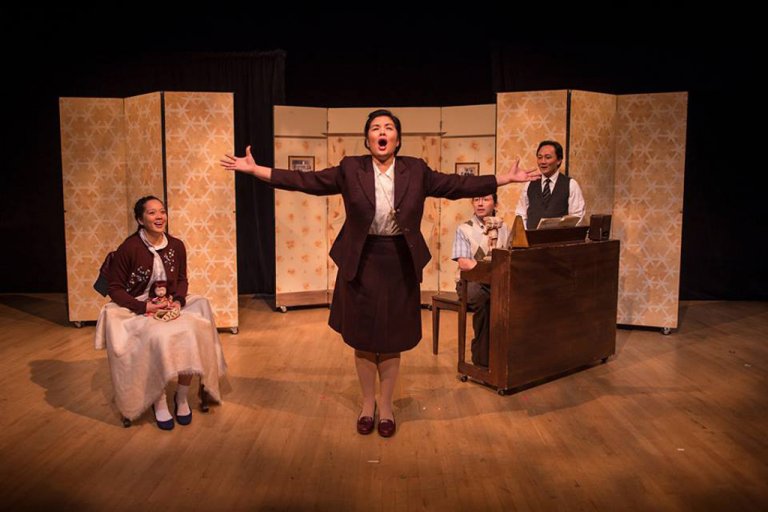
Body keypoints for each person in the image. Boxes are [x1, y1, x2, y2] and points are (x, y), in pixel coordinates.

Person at [221, 109, 539, 437]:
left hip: (399, 261)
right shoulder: (350, 168)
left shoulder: (415, 170)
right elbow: (307, 181)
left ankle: (385, 406)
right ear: (367, 139)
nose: (382, 132)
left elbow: (457, 184)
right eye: (375, 128)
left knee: (390, 339)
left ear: (397, 140)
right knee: (363, 338)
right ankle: (367, 403)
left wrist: (503, 179)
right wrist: (256, 170)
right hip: (361, 260)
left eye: (388, 127)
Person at [94, 196, 227, 430]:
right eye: (152, 212)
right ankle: (159, 399)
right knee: (156, 337)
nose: (159, 217)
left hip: (169, 303)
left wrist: (177, 301)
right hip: (138, 305)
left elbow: (182, 280)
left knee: (191, 332)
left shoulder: (176, 245)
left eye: (162, 211)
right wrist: (144, 307)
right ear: (140, 219)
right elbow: (115, 289)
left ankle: (181, 396)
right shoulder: (129, 248)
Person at [451, 194, 509, 367]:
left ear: (495, 203)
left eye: (485, 199)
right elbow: (464, 263)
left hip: (497, 282)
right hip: (470, 282)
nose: (480, 203)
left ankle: (505, 357)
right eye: (476, 200)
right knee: (485, 301)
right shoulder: (464, 229)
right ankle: (482, 361)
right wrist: (488, 273)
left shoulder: (504, 227)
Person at [515, 140, 586, 229]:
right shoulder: (530, 183)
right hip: (532, 236)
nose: (543, 161)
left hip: (560, 237)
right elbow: (521, 214)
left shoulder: (571, 184)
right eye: (540, 157)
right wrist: (525, 234)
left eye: (548, 157)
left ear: (559, 160)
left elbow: (577, 216)